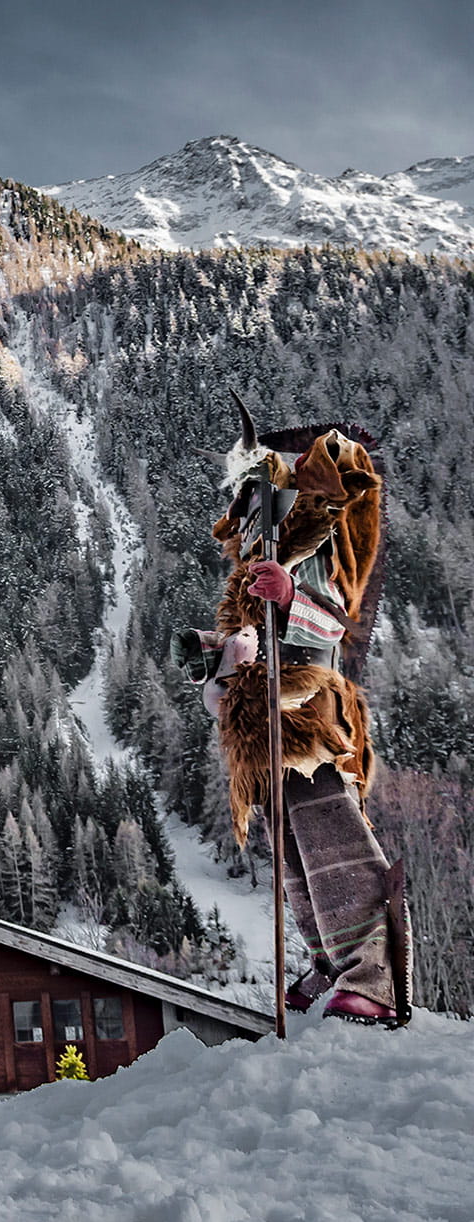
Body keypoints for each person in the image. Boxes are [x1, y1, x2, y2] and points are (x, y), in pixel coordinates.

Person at [175, 414, 408, 1027]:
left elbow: (335, 622)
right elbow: (252, 638)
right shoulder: (264, 552)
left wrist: (289, 598)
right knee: (295, 855)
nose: (246, 504)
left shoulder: (313, 539)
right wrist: (218, 654)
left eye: (254, 489)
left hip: (309, 714)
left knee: (333, 840)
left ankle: (373, 972)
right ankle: (330, 960)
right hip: (267, 721)